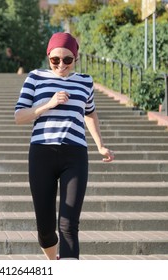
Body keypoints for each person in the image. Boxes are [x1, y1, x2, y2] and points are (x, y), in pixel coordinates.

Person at [14, 32, 114, 260]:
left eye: (67, 60)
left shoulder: (85, 81)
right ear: (48, 57)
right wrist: (48, 104)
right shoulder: (35, 78)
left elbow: (90, 113)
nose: (61, 64)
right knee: (45, 229)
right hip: (42, 153)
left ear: (75, 59)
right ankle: (53, 262)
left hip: (75, 154)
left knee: (69, 224)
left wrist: (100, 145)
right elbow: (19, 116)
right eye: (55, 59)